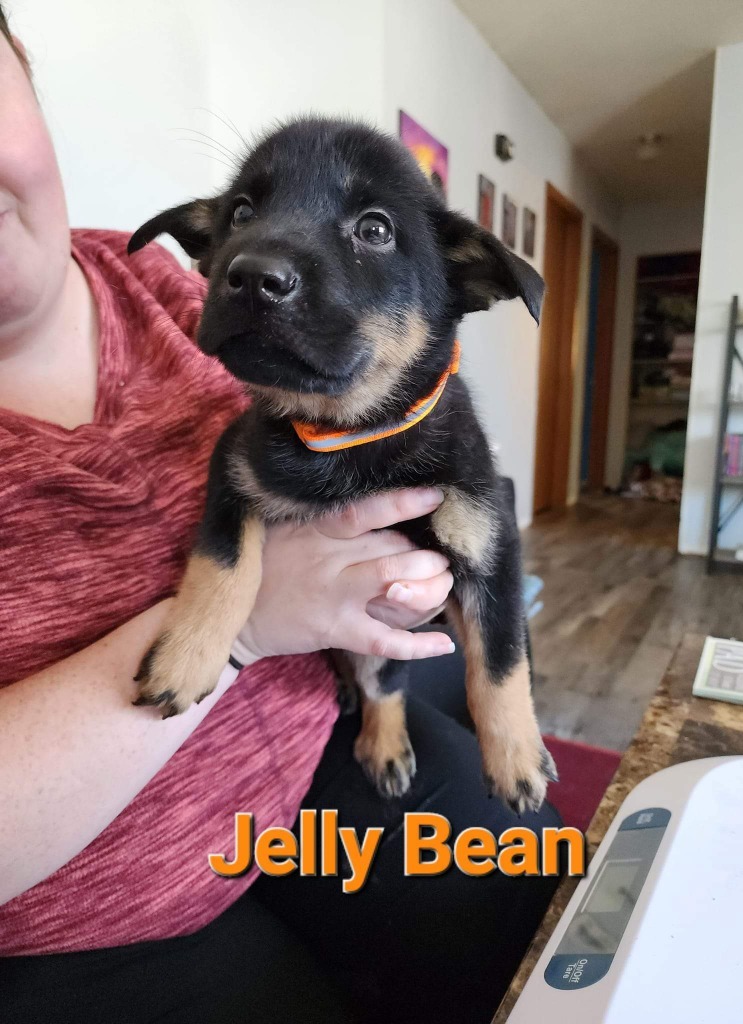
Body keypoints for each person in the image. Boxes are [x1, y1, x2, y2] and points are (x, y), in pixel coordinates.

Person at [0, 9, 561, 1023]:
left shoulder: (150, 285)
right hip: (110, 913)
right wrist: (247, 617)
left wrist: (478, 689)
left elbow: (471, 565)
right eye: (248, 216)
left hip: (313, 754)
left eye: (372, 229)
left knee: (527, 879)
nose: (259, 260)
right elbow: (242, 494)